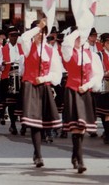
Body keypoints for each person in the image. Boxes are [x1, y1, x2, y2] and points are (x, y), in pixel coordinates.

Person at [20, 19, 63, 167]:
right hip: (30, 87)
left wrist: (44, 78)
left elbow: (57, 75)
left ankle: (38, 149)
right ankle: (38, 154)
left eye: (42, 33)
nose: (39, 36)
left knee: (45, 121)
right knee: (35, 122)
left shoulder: (51, 51)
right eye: (37, 33)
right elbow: (23, 38)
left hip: (44, 86)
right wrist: (38, 28)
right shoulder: (28, 47)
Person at [61, 27, 103, 173]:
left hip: (85, 91)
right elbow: (66, 43)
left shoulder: (92, 56)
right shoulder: (68, 52)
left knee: (82, 128)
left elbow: (98, 76)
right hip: (72, 91)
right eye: (78, 38)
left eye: (82, 38)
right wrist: (80, 27)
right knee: (76, 127)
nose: (80, 40)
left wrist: (87, 86)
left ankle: (75, 154)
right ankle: (80, 160)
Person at [93, 33, 109, 144]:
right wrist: (105, 73)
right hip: (104, 86)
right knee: (106, 113)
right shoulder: (99, 55)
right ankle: (107, 133)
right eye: (108, 43)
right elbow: (95, 71)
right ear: (103, 43)